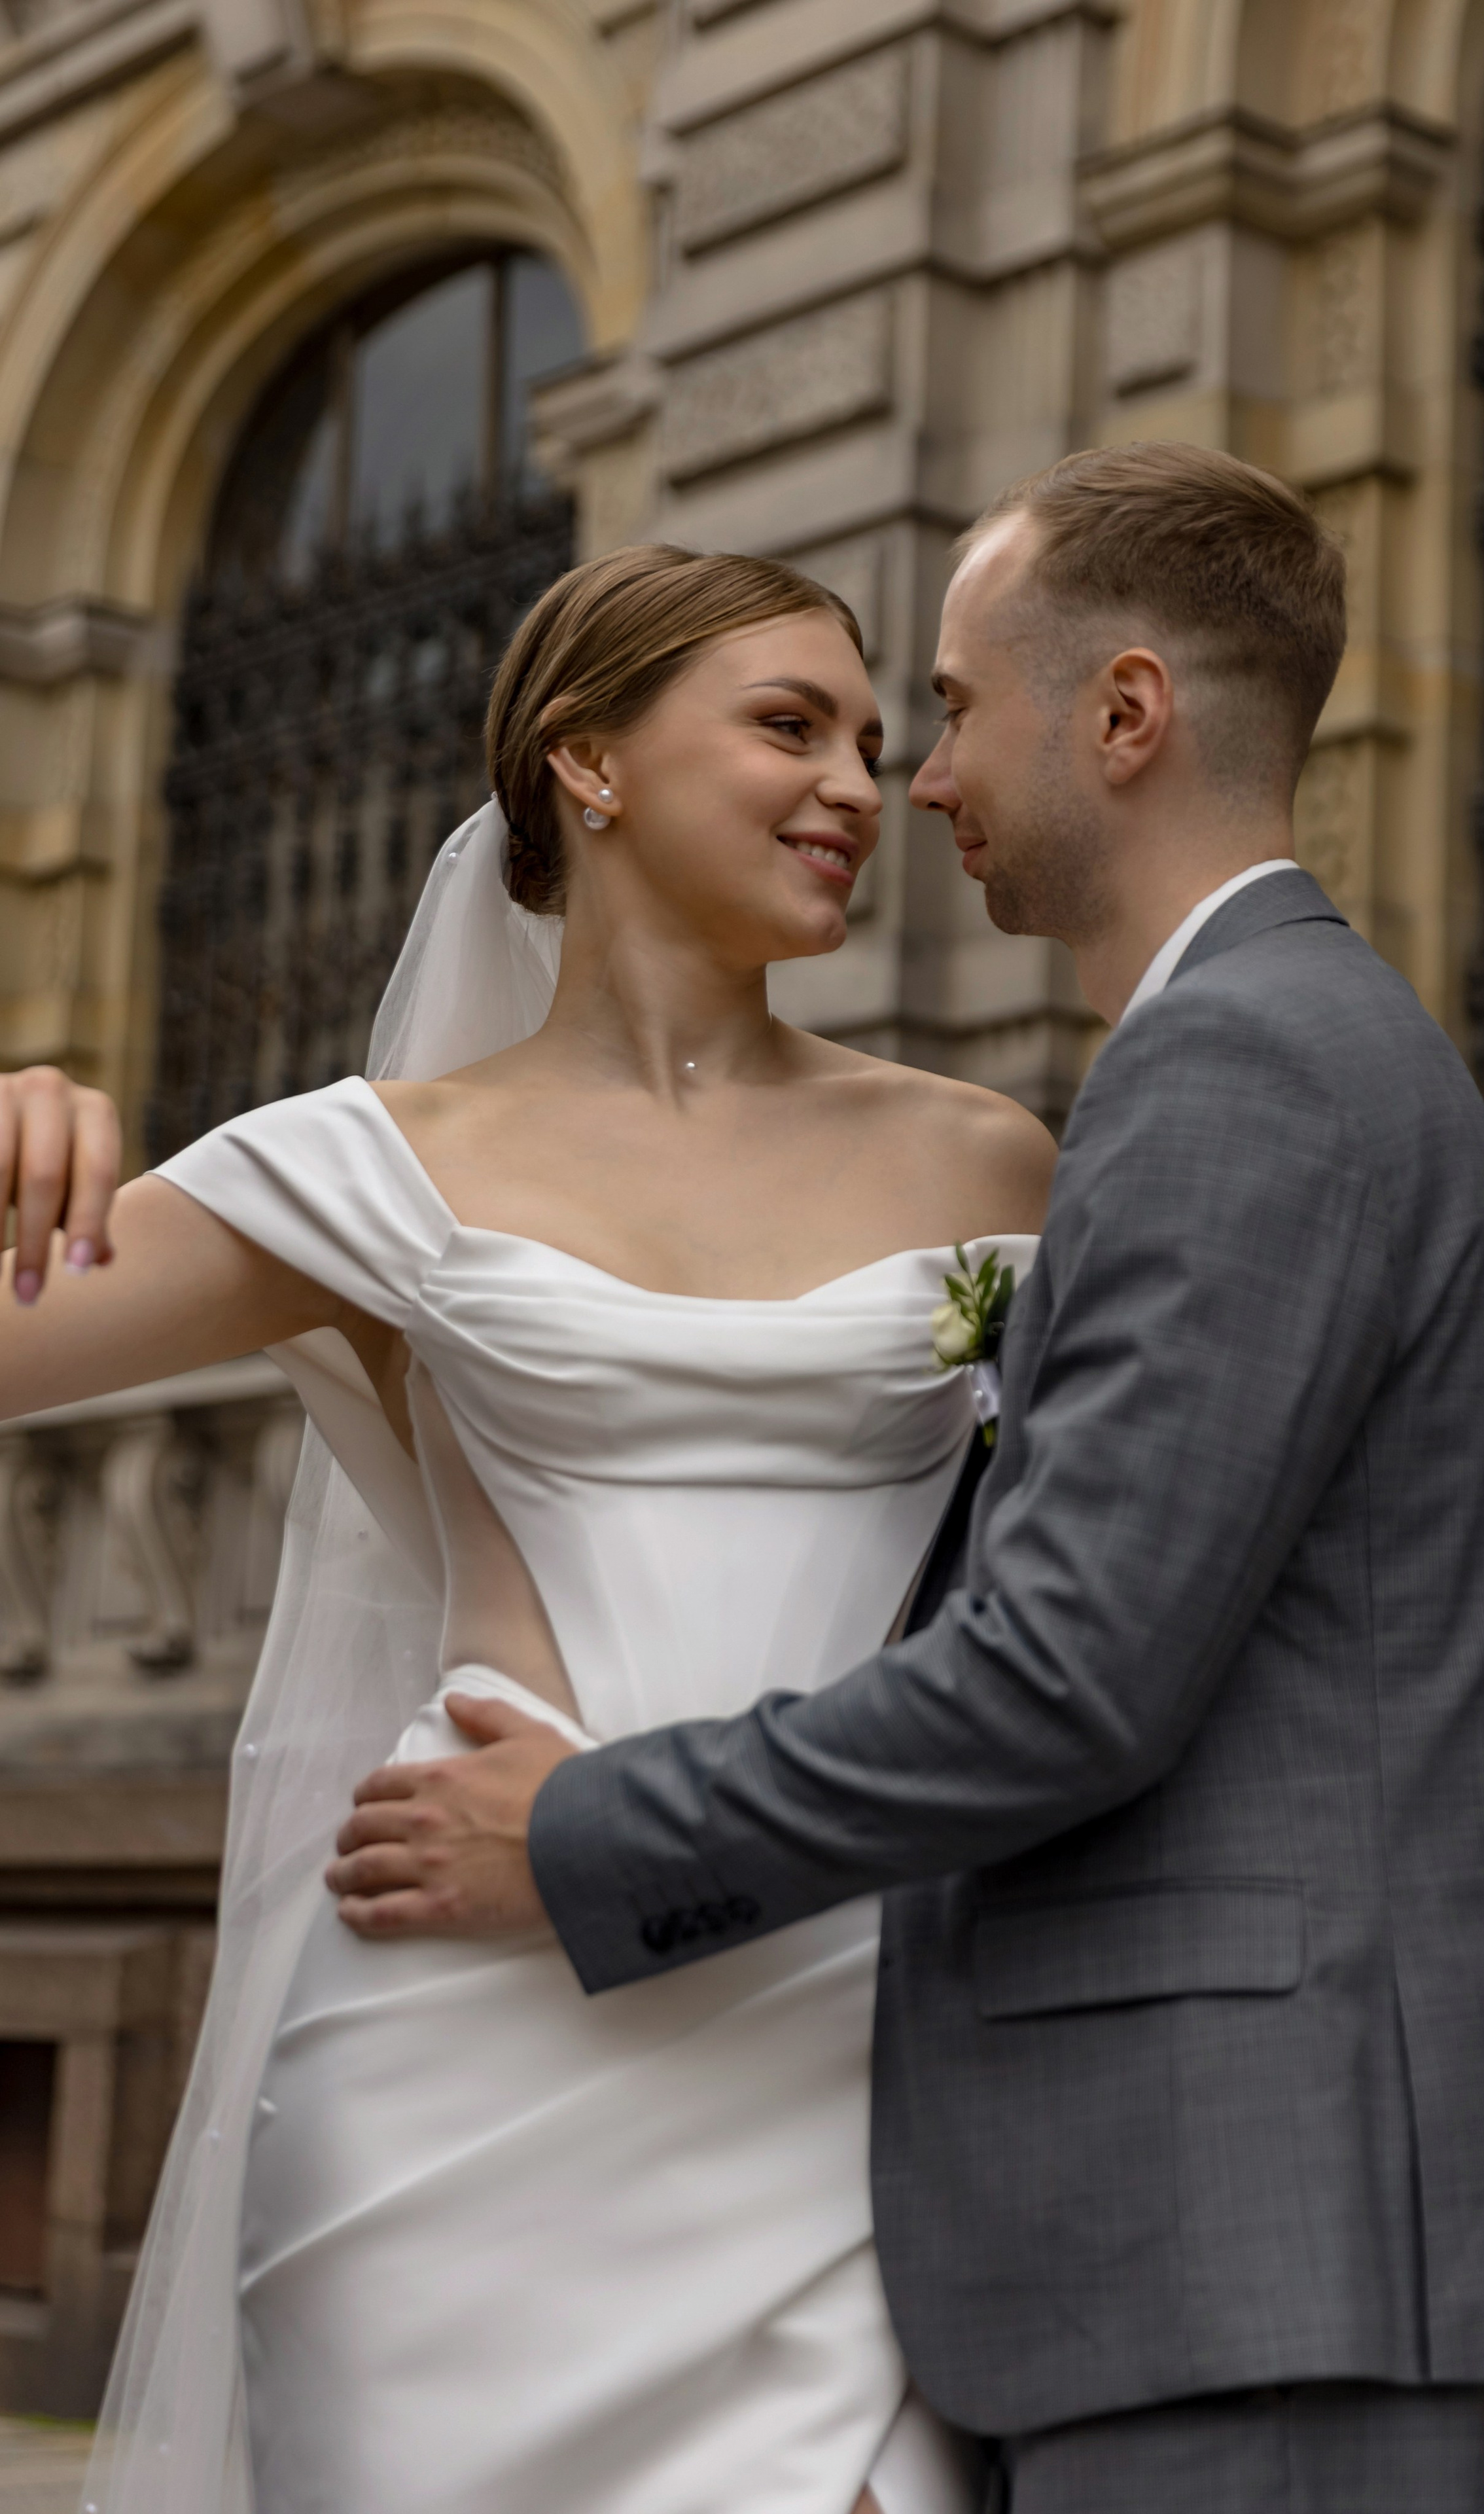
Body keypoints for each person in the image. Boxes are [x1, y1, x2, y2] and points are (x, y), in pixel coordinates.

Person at [319, 445, 1484, 2512]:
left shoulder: (1246, 1065)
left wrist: (579, 1832)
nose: (916, 782)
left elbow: (1067, 1677)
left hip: (1249, 2233)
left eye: (940, 706)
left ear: (1121, 715)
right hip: (1215, 2233)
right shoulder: (1263, 1047)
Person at [0, 542, 1054, 2514]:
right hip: (461, 2075)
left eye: (873, 735)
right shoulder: (371, 1166)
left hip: (850, 2071)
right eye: (787, 724)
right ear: (587, 762)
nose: (858, 784)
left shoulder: (987, 1159)